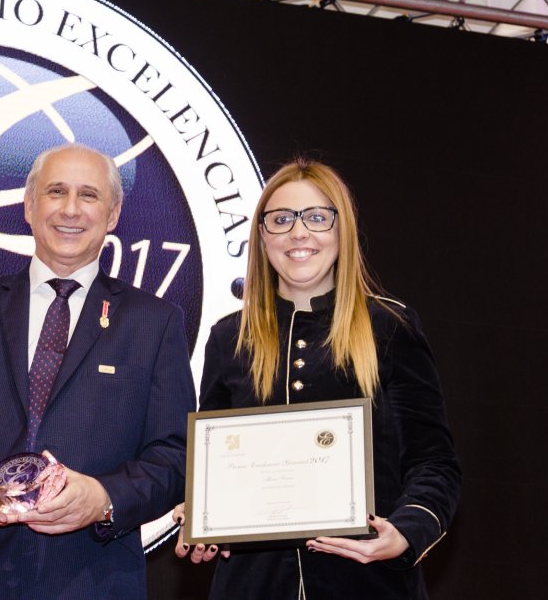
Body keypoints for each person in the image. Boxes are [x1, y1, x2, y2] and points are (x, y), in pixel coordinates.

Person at [0, 144, 196, 599]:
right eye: (55, 191)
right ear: (29, 205)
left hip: (94, 582)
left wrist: (103, 499)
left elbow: (176, 454)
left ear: (113, 214)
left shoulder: (155, 322)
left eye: (88, 195)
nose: (70, 209)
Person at [175, 158, 460, 599]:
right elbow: (210, 466)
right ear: (262, 236)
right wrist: (203, 515)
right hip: (253, 587)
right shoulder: (228, 338)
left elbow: (434, 463)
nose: (299, 233)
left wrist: (406, 531)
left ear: (341, 230)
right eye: (281, 219)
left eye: (316, 217)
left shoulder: (389, 326)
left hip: (370, 586)